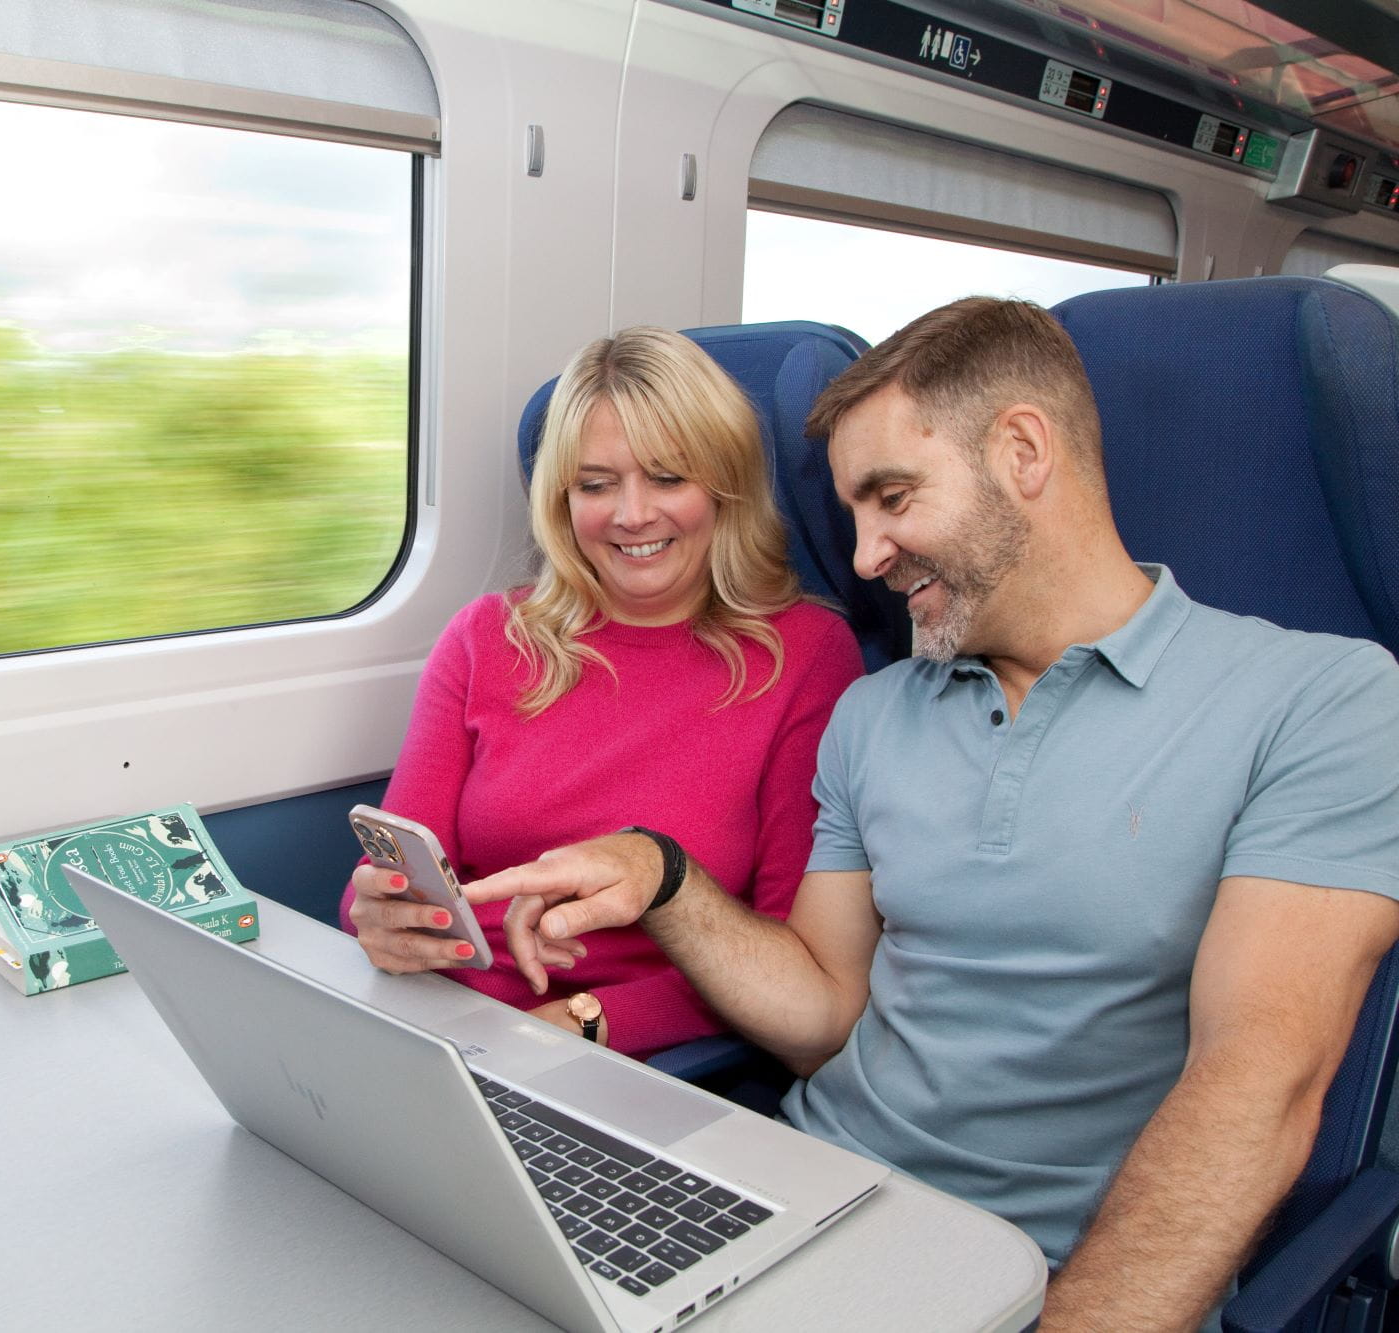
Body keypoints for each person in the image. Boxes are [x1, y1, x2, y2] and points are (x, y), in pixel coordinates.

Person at [464, 297, 1399, 1329]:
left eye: (891, 497)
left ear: (1021, 452)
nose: (864, 557)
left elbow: (1258, 1081)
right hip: (797, 1196)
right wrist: (664, 877)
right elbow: (822, 1016)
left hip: (1025, 1268)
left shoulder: (1319, 699)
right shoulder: (875, 712)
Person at [342, 326, 862, 1058]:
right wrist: (378, 918)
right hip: (438, 1023)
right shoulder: (486, 636)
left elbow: (787, 961)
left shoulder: (804, 655)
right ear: (562, 498)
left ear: (725, 487)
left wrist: (582, 1023)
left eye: (668, 477)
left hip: (619, 1055)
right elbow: (395, 872)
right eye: (596, 484)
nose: (631, 514)